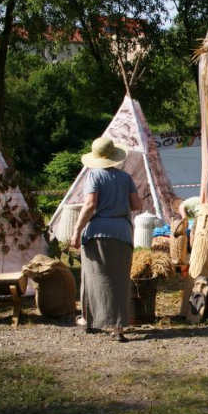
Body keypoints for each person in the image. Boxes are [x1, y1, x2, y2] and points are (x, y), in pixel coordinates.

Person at [70, 137, 142, 343]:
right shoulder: (125, 177)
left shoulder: (94, 176)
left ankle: (88, 320)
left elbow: (90, 204)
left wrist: (76, 230)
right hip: (122, 232)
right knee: (119, 280)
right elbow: (136, 204)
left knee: (94, 278)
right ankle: (118, 329)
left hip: (98, 232)